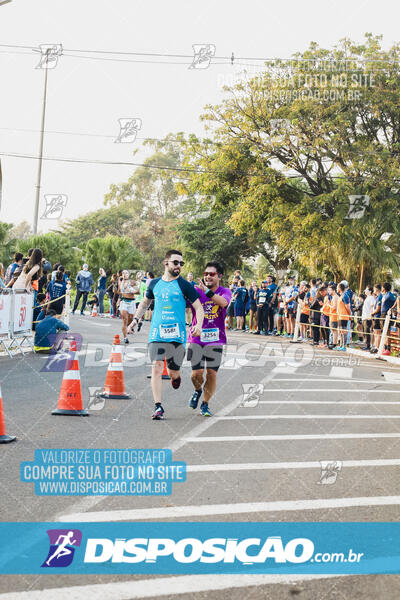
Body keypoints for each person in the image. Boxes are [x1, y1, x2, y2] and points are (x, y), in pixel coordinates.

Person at [128, 249, 204, 420]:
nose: (179, 266)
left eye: (181, 264)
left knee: (173, 373)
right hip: (157, 333)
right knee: (156, 367)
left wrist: (198, 324)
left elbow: (199, 308)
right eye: (176, 263)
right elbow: (145, 303)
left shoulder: (185, 285)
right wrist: (135, 320)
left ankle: (175, 377)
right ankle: (158, 406)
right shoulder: (154, 283)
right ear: (166, 263)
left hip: (177, 336)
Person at [187, 261, 231, 416]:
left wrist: (207, 292)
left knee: (211, 373)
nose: (207, 276)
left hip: (215, 340)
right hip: (197, 338)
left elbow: (223, 302)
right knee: (196, 374)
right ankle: (197, 390)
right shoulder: (195, 291)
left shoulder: (225, 291)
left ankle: (205, 404)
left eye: (211, 274)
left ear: (219, 276)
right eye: (205, 274)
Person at [118, 270, 139, 343]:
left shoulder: (132, 282)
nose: (124, 274)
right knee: (124, 320)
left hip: (132, 302)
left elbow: (138, 291)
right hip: (124, 302)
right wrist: (119, 300)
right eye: (123, 273)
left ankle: (129, 327)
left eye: (126, 273)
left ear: (129, 275)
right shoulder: (120, 281)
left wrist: (132, 289)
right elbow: (120, 292)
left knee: (130, 319)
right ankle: (125, 337)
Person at [337, 282, 351, 351]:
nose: (337, 288)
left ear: (340, 288)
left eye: (337, 287)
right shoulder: (340, 296)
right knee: (341, 331)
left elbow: (347, 307)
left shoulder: (345, 296)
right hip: (340, 316)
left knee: (344, 331)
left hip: (344, 316)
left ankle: (344, 345)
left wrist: (349, 315)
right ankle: (341, 345)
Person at [370, 284, 383, 353]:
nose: (373, 290)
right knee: (375, 332)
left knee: (377, 332)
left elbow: (378, 308)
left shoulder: (380, 297)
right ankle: (375, 346)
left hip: (377, 316)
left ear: (377, 289)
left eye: (374, 289)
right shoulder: (378, 297)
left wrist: (372, 313)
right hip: (376, 316)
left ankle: (377, 347)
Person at [361, 286, 374, 351]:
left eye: (366, 289)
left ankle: (368, 345)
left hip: (367, 317)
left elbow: (372, 307)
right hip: (364, 317)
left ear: (370, 291)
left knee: (367, 331)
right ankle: (366, 344)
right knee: (364, 331)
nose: (365, 290)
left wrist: (370, 316)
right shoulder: (367, 298)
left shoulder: (371, 298)